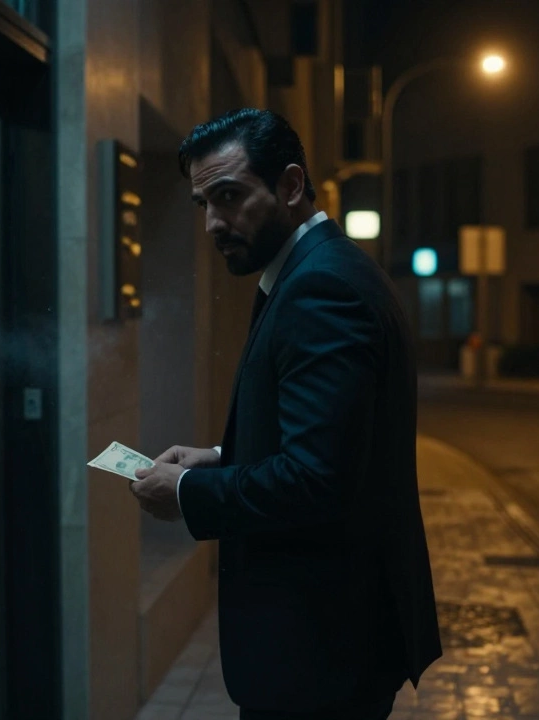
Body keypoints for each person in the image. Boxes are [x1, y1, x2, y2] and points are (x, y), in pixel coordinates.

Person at [131, 108, 442, 719]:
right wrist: (222, 458)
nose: (214, 223)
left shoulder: (322, 289)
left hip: (320, 647)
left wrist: (192, 491)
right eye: (203, 205)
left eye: (229, 196)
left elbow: (316, 480)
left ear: (292, 185)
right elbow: (333, 445)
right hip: (329, 641)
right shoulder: (317, 273)